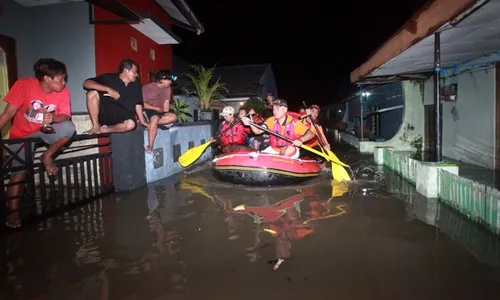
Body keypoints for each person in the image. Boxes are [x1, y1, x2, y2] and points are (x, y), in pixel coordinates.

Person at [0, 58, 76, 228]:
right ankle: (12, 212)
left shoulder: (63, 91)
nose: (64, 83)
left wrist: (53, 117)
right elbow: (9, 113)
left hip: (44, 131)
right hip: (21, 133)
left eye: (64, 78)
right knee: (18, 173)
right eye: (61, 79)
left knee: (69, 128)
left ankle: (46, 156)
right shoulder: (24, 85)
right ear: (47, 79)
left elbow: (65, 116)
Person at [83, 58, 148, 135]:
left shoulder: (136, 84)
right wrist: (107, 89)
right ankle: (95, 126)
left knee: (131, 124)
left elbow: (138, 103)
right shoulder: (109, 78)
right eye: (134, 72)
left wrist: (142, 120)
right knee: (92, 93)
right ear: (125, 70)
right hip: (106, 113)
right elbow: (86, 83)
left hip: (124, 116)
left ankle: (105, 130)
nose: (136, 74)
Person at [242, 98, 315, 158]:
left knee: (290, 149)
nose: (274, 111)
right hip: (274, 149)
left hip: (289, 151)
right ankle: (275, 159)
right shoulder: (271, 120)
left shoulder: (295, 123)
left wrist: (301, 140)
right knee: (258, 158)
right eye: (274, 109)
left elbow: (311, 134)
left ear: (285, 110)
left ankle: (277, 160)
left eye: (277, 108)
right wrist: (250, 124)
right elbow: (257, 131)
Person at [140, 69, 178, 153]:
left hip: (160, 113)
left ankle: (151, 124)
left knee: (173, 117)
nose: (171, 82)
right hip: (148, 111)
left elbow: (166, 103)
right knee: (154, 117)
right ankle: (150, 147)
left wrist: (165, 114)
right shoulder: (147, 88)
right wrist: (156, 108)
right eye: (169, 79)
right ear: (162, 79)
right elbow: (142, 104)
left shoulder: (168, 88)